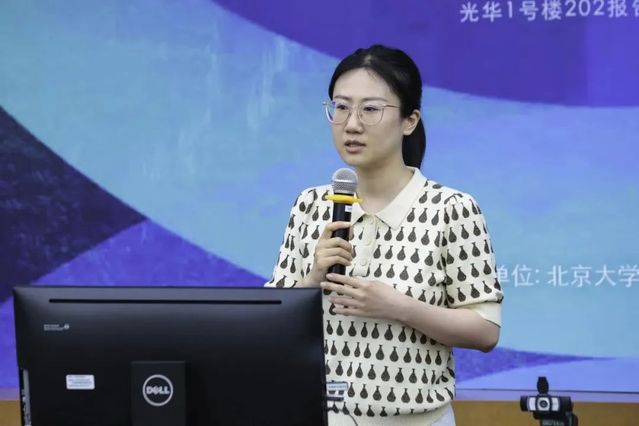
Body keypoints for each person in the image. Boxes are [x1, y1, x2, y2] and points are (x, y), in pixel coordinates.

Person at [266, 45, 504, 426]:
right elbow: (269, 323)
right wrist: (311, 279)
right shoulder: (310, 205)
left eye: (370, 109)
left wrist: (398, 307)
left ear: (409, 120)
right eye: (341, 107)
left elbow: (485, 330)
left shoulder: (451, 209)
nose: (351, 124)